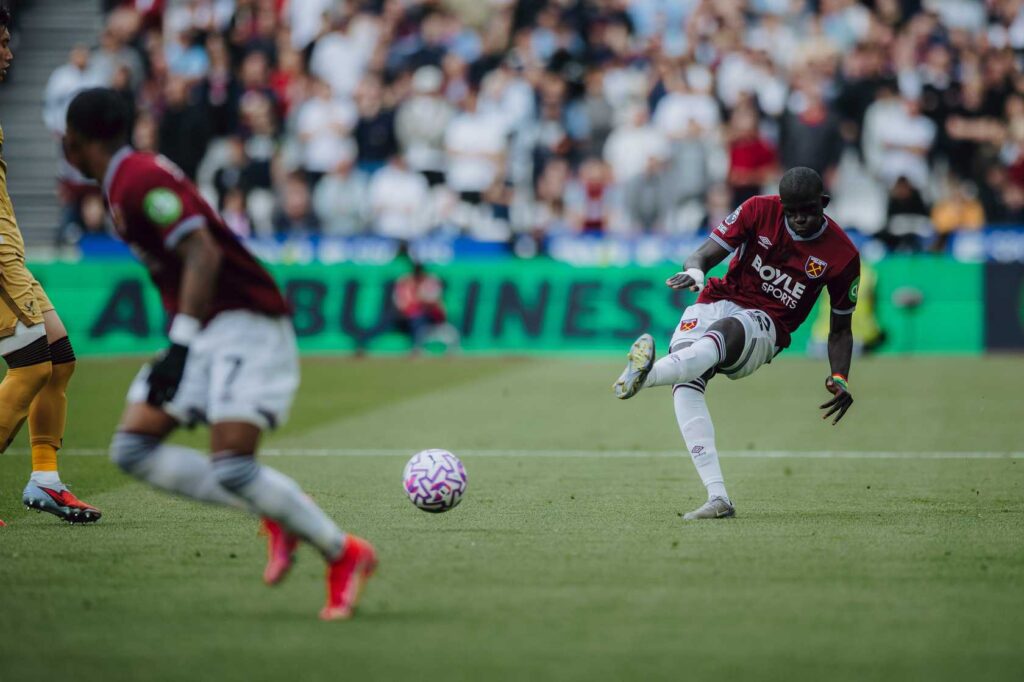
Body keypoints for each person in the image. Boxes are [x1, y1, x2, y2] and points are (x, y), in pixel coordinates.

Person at [63, 87, 376, 620]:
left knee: (233, 465)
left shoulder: (137, 179)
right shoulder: (122, 182)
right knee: (131, 451)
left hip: (244, 321)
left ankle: (342, 552)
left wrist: (181, 344)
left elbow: (203, 251)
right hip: (206, 328)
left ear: (76, 142)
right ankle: (280, 512)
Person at [613, 167, 859, 520]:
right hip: (718, 298)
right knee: (686, 379)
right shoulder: (758, 209)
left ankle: (645, 375)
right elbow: (703, 255)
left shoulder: (842, 255)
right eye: (792, 212)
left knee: (728, 330)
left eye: (809, 211)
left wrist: (840, 376)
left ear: (823, 204)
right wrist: (696, 273)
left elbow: (840, 329)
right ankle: (718, 498)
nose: (801, 219)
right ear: (782, 205)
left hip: (768, 325)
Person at [0, 9, 101, 526]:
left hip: (10, 251)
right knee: (33, 365)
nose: (9, 53)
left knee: (59, 358)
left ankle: (45, 480)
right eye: (0, 42)